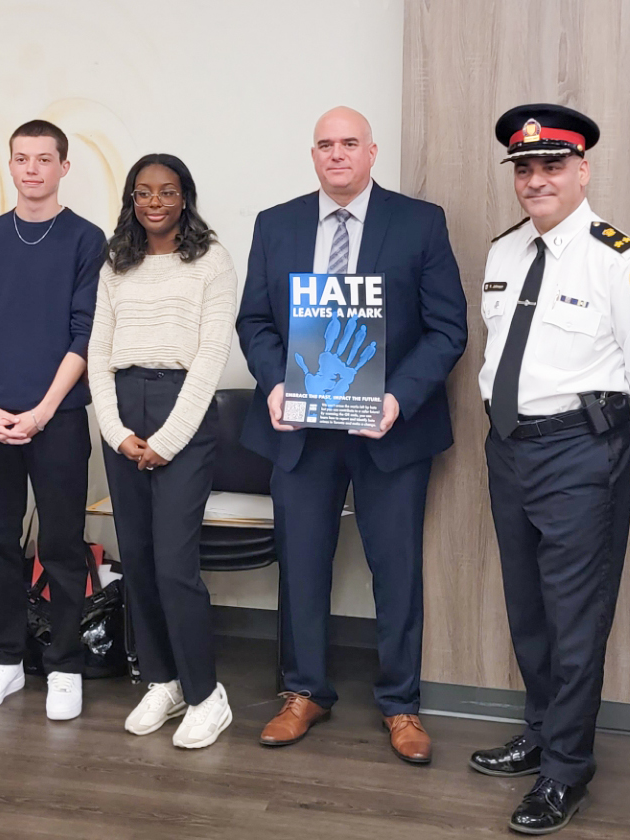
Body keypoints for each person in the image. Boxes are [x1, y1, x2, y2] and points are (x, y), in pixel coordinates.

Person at [236, 106, 467, 763]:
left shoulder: (419, 222)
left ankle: (401, 704)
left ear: (371, 152)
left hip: (389, 429)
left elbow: (449, 328)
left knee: (394, 569)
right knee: (301, 562)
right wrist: (276, 384)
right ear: (313, 155)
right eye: (325, 145)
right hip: (300, 429)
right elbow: (255, 322)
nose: (336, 155)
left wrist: (397, 400)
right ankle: (303, 692)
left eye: (349, 144)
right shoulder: (275, 225)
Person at [470, 103, 630, 834]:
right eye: (524, 168)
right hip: (508, 448)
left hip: (581, 450)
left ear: (583, 169)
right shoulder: (503, 252)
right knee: (528, 606)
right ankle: (542, 731)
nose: (536, 180)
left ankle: (565, 770)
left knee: (575, 615)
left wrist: (602, 444)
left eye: (552, 165)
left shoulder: (624, 260)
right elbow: (499, 353)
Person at [0, 120, 105, 721]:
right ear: (11, 166)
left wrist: (42, 411)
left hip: (59, 418)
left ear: (64, 167)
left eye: (45, 159)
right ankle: (2, 661)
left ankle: (64, 666)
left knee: (62, 544)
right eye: (22, 159)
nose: (32, 169)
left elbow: (85, 332)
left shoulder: (86, 239)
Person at [89, 154, 238, 748]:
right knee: (141, 559)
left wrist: (167, 440)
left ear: (185, 198)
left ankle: (206, 694)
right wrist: (115, 430)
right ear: (130, 198)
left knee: (177, 566)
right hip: (123, 410)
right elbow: (99, 351)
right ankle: (163, 680)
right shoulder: (115, 263)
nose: (155, 202)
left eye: (167, 192)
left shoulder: (212, 260)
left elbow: (210, 357)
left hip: (183, 410)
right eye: (143, 192)